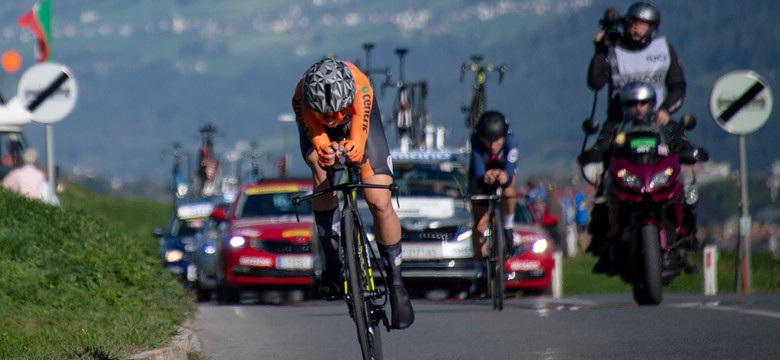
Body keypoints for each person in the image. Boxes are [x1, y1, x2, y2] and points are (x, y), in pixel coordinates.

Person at [291, 58, 413, 329]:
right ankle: (332, 262)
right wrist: (325, 149)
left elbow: (359, 130)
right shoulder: (301, 97)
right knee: (319, 168)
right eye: (327, 114)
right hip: (316, 125)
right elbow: (316, 132)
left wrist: (355, 148)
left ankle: (396, 284)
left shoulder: (360, 87)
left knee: (379, 200)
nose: (334, 119)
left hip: (359, 120)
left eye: (337, 113)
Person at [579, 81, 699, 272]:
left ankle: (684, 234)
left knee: (687, 196)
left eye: (642, 103)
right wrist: (593, 154)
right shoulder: (615, 127)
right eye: (632, 104)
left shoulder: (666, 125)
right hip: (630, 178)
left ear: (651, 103)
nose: (638, 108)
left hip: (658, 175)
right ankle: (613, 233)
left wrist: (690, 151)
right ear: (624, 105)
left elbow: (682, 141)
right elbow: (601, 145)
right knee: (605, 197)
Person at [587, 2, 686, 127]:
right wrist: (600, 51)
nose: (635, 27)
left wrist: (666, 109)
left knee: (682, 143)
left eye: (641, 23)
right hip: (619, 123)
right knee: (600, 147)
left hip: (656, 122)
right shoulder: (613, 49)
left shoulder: (663, 50)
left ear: (652, 27)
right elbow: (595, 83)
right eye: (632, 22)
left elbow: (678, 86)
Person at [467, 110, 518, 297]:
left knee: (509, 189)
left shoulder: (512, 142)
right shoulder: (475, 142)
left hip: (503, 172)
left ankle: (508, 226)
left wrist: (505, 175)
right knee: (480, 224)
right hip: (481, 176)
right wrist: (484, 176)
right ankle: (479, 269)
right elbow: (477, 166)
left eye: (497, 141)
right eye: (488, 141)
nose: (493, 145)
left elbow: (510, 170)